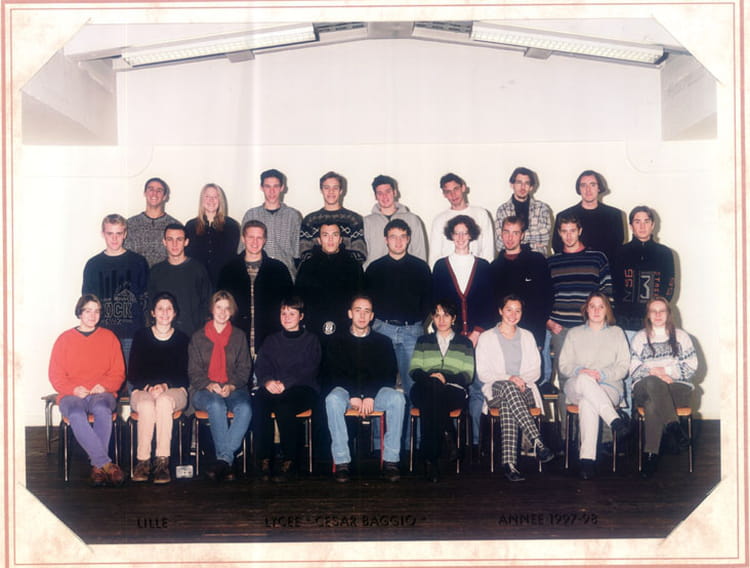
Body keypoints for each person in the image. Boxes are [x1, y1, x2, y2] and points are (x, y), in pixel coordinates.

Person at [432, 214, 495, 456]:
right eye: (456, 233)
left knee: (477, 388)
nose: (460, 237)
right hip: (451, 340)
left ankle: (476, 442)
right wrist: (451, 334)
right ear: (451, 235)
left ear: (471, 235)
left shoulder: (484, 266)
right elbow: (437, 304)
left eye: (464, 233)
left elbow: (490, 304)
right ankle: (455, 443)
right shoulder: (441, 266)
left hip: (479, 338)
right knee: (453, 387)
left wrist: (477, 332)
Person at [323, 295, 404, 483]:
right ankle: (342, 462)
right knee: (332, 399)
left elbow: (388, 375)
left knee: (398, 399)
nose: (362, 315)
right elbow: (334, 373)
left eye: (367, 311)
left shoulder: (383, 342)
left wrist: (370, 395)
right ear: (350, 313)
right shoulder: (337, 340)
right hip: (346, 392)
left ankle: (391, 461)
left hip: (375, 393)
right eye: (358, 310)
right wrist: (353, 395)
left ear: (372, 316)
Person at [365, 219, 432, 447]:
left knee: (414, 386)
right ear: (386, 240)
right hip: (382, 329)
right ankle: (379, 443)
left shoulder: (420, 267)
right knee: (381, 386)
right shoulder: (374, 268)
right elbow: (368, 301)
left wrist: (416, 323)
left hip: (411, 330)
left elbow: (428, 300)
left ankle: (414, 442)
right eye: (393, 236)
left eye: (402, 236)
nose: (398, 241)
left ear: (409, 239)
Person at [48, 294, 126, 486]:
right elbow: (55, 375)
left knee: (102, 409)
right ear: (79, 313)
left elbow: (119, 373)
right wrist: (73, 389)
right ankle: (104, 464)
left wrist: (105, 386)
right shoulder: (64, 339)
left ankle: (98, 467)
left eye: (97, 311)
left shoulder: (109, 338)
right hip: (72, 394)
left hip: (102, 393)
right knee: (75, 413)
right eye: (88, 311)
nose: (93, 315)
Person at [476, 295, 554, 481]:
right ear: (500, 311)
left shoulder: (527, 336)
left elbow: (536, 371)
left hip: (524, 390)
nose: (513, 314)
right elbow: (483, 374)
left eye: (517, 310)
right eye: (509, 309)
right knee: (508, 389)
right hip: (496, 389)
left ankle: (510, 465)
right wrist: (509, 378)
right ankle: (537, 441)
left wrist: (520, 381)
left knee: (508, 402)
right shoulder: (486, 337)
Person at [557, 292, 630, 480]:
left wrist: (602, 374)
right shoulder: (574, 333)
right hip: (577, 384)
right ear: (586, 309)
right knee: (584, 380)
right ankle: (614, 419)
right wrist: (581, 371)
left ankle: (587, 461)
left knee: (587, 402)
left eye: (601, 306)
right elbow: (564, 365)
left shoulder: (617, 333)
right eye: (592, 306)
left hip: (608, 387)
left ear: (607, 310)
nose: (596, 311)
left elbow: (623, 367)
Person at [253, 296, 321, 482]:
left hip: (303, 387)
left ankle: (290, 461)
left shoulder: (311, 340)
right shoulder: (271, 340)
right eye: (283, 313)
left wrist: (285, 383)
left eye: (292, 313)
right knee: (258, 401)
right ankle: (264, 459)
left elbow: (310, 368)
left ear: (301, 316)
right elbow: (262, 365)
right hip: (274, 387)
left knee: (284, 406)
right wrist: (267, 382)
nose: (287, 317)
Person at [188, 290, 253, 482]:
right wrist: (209, 385)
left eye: (227, 308)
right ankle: (227, 461)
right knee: (216, 404)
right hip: (203, 390)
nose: (223, 312)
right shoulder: (198, 337)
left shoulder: (239, 336)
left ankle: (223, 461)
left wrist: (231, 386)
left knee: (245, 408)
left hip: (234, 389)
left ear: (232, 311)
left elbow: (245, 369)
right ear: (212, 309)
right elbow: (193, 372)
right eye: (219, 307)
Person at [630, 297, 697, 478]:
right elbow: (634, 369)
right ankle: (674, 427)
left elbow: (692, 366)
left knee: (653, 404)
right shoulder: (639, 338)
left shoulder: (682, 337)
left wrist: (668, 372)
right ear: (648, 315)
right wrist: (657, 374)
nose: (658, 314)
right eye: (654, 311)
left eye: (662, 311)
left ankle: (650, 455)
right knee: (653, 383)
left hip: (675, 388)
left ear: (669, 314)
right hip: (645, 386)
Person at [127, 292, 190, 484]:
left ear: (175, 313)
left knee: (163, 402)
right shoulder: (141, 336)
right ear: (153, 312)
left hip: (175, 390)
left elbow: (184, 374)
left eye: (169, 308)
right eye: (160, 308)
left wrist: (165, 386)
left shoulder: (182, 339)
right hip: (143, 389)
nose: (164, 313)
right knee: (147, 405)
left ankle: (162, 462)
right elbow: (133, 372)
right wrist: (148, 387)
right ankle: (143, 462)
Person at [408, 301, 474, 482]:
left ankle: (431, 460)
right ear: (433, 318)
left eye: (446, 315)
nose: (441, 319)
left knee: (431, 403)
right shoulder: (423, 341)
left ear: (453, 318)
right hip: (423, 387)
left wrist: (445, 377)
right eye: (437, 315)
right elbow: (414, 370)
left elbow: (468, 375)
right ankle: (448, 433)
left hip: (453, 391)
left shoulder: (465, 343)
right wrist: (432, 379)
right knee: (433, 391)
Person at [546, 216, 613, 378]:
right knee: (565, 378)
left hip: (590, 327)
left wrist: (602, 323)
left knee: (592, 376)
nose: (569, 236)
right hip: (561, 328)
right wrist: (548, 321)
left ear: (580, 231)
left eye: (572, 231)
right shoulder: (551, 262)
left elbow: (607, 294)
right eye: (564, 231)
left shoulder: (597, 258)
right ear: (559, 233)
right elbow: (543, 296)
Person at [218, 220, 293, 358]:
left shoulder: (279, 269)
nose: (255, 242)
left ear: (265, 240)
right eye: (251, 237)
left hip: (270, 341)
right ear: (243, 239)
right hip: (235, 341)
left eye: (259, 237)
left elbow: (290, 305)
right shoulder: (228, 270)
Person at [82, 214, 149, 368]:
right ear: (103, 234)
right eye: (110, 233)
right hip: (102, 333)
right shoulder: (93, 265)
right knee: (103, 377)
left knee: (132, 378)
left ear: (125, 234)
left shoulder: (138, 262)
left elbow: (145, 297)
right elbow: (87, 301)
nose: (114, 238)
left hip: (132, 334)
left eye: (118, 233)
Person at [489, 215, 552, 358]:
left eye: (515, 233)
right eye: (506, 232)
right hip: (503, 335)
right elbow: (492, 306)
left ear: (522, 235)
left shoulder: (537, 261)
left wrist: (538, 337)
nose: (510, 237)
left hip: (532, 333)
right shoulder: (494, 267)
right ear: (501, 234)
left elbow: (546, 299)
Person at [295, 222, 364, 343]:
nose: (330, 239)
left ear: (341, 239)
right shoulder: (307, 266)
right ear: (319, 240)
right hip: (313, 328)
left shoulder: (353, 266)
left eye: (335, 235)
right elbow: (299, 299)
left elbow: (360, 297)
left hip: (345, 327)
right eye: (325, 235)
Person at [612, 206, 676, 333]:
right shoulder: (619, 253)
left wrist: (657, 312)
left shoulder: (665, 253)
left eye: (646, 221)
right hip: (625, 321)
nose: (642, 226)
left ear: (652, 225)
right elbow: (614, 287)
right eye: (637, 222)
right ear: (631, 226)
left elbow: (669, 287)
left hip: (655, 321)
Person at [148, 223, 211, 336]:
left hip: (192, 335)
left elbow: (206, 303)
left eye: (179, 239)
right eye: (170, 239)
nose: (174, 244)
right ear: (164, 242)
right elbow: (150, 305)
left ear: (186, 242)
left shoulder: (198, 270)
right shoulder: (156, 271)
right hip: (163, 334)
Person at [551, 170, 626, 263]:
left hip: (606, 267)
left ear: (599, 188)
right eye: (583, 185)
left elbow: (617, 248)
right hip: (574, 267)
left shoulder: (614, 215)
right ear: (579, 189)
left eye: (592, 185)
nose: (588, 190)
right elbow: (557, 246)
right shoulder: (564, 215)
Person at [239, 169, 302, 278]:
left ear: (282, 188)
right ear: (261, 187)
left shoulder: (293, 216)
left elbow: (297, 253)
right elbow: (242, 249)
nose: (272, 191)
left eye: (275, 186)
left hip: (285, 275)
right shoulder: (251, 215)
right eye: (267, 186)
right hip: (256, 275)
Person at [299, 171, 367, 264]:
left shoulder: (354, 219)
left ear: (341, 191)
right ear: (321, 190)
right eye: (327, 188)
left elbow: (360, 253)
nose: (331, 191)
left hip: (346, 271)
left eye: (335, 188)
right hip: (317, 271)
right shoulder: (309, 220)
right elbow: (304, 253)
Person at [428, 172, 495, 267]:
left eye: (456, 189)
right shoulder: (439, 220)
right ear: (444, 194)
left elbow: (488, 251)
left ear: (463, 188)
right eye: (448, 192)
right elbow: (434, 257)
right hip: (448, 270)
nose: (453, 195)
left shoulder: (481, 214)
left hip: (476, 270)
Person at [363, 174, 427, 268]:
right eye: (380, 193)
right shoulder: (366, 222)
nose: (384, 196)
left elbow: (419, 252)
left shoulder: (412, 220)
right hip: (376, 273)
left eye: (388, 191)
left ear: (395, 192)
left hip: (407, 273)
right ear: (375, 196)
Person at [185, 183, 241, 289]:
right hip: (196, 283)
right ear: (202, 199)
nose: (211, 200)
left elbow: (232, 258)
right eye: (207, 196)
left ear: (220, 200)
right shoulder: (190, 226)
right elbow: (188, 257)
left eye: (215, 197)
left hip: (223, 282)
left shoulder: (232, 226)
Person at [494, 167, 553, 257]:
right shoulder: (502, 210)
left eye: (527, 183)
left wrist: (514, 237)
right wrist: (533, 241)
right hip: (511, 260)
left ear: (531, 187)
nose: (522, 187)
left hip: (536, 258)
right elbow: (499, 243)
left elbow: (545, 237)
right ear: (512, 185)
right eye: (519, 182)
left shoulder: (542, 208)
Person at [126, 177, 181, 267]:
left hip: (165, 275)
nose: (154, 193)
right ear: (145, 193)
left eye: (159, 190)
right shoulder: (130, 224)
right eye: (151, 189)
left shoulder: (175, 226)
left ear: (165, 196)